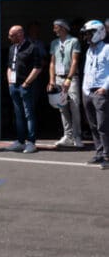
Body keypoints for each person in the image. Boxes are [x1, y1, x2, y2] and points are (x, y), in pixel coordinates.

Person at [47, 19, 83, 148]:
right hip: (58, 78)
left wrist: (69, 78)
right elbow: (52, 62)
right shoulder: (54, 43)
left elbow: (75, 61)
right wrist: (52, 80)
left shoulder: (74, 41)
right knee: (62, 107)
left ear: (63, 28)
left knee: (74, 106)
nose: (54, 30)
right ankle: (68, 135)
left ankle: (77, 136)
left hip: (71, 78)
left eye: (56, 27)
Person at [6, 25, 43, 153]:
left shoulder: (32, 47)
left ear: (20, 34)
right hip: (14, 85)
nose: (9, 37)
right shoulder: (12, 48)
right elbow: (9, 66)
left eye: (11, 35)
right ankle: (20, 141)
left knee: (29, 114)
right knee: (18, 114)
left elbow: (38, 67)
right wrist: (10, 82)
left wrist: (26, 83)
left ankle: (31, 142)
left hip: (26, 86)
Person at [80, 20, 109, 169]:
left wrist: (105, 88)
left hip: (101, 91)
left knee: (103, 126)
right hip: (88, 91)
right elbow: (87, 71)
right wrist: (84, 89)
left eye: (89, 34)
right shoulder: (89, 50)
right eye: (85, 34)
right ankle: (99, 153)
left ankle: (107, 156)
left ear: (98, 33)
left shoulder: (107, 49)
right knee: (93, 125)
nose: (86, 37)